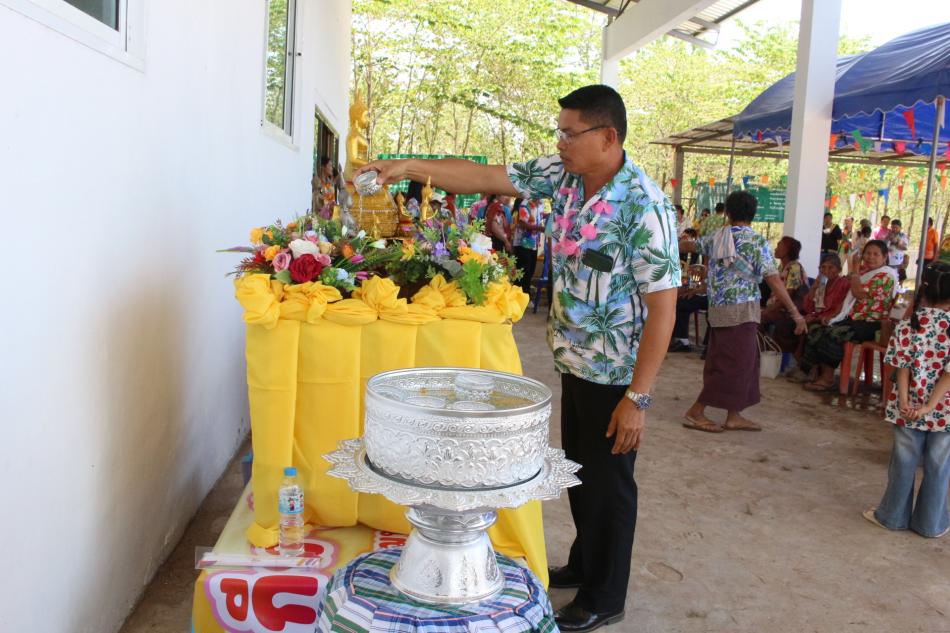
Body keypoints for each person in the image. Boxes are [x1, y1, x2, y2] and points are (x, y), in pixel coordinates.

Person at [356, 85, 680, 632]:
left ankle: (606, 594)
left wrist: (638, 398)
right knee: (580, 473)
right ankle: (584, 563)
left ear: (608, 137)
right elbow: (483, 176)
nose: (561, 142)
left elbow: (664, 309)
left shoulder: (644, 206)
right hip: (574, 363)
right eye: (559, 131)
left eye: (569, 132)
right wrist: (407, 165)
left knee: (610, 484)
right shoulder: (565, 178)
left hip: (616, 375)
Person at [680, 191, 807, 433]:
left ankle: (734, 415)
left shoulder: (718, 236)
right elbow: (773, 279)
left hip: (718, 309)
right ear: (753, 214)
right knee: (733, 364)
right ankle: (696, 412)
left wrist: (668, 241)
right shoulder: (756, 242)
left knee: (740, 362)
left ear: (727, 212)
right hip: (741, 311)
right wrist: (795, 312)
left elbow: (689, 244)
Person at [864, 261, 950, 538]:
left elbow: (901, 368)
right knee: (939, 466)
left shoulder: (908, 324)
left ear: (923, 291)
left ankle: (892, 517)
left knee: (903, 462)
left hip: (907, 407)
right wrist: (930, 407)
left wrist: (905, 401)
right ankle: (930, 524)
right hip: (944, 410)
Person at [799, 240, 899, 391]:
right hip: (854, 319)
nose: (870, 257)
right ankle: (812, 373)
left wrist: (855, 270)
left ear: (885, 257)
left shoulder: (885, 276)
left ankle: (827, 379)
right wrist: (832, 316)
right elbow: (847, 299)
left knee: (832, 333)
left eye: (875, 254)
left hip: (871, 323)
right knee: (817, 328)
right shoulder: (866, 273)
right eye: (868, 253)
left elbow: (858, 294)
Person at [785, 253, 851, 382]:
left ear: (839, 269)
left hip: (834, 320)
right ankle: (803, 366)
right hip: (819, 317)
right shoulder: (821, 284)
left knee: (812, 328)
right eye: (823, 268)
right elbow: (808, 307)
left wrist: (815, 318)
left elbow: (840, 309)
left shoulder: (843, 283)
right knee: (794, 324)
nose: (826, 271)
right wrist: (814, 287)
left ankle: (805, 369)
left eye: (831, 268)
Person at [761, 236, 809, 353]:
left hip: (788, 310)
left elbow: (787, 297)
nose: (776, 248)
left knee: (758, 319)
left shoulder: (794, 267)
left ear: (787, 250)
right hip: (780, 307)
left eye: (779, 246)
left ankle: (770, 357)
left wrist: (768, 310)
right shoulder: (782, 266)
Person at [669, 263, 707, 353]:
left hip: (714, 298)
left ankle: (709, 345)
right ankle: (682, 341)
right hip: (704, 294)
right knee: (681, 301)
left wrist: (696, 291)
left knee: (682, 302)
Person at [512, 198, 541, 294]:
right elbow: (523, 224)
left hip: (533, 244)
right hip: (522, 245)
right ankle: (520, 296)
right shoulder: (525, 204)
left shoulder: (539, 206)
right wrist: (541, 228)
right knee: (523, 272)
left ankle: (522, 296)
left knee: (530, 272)